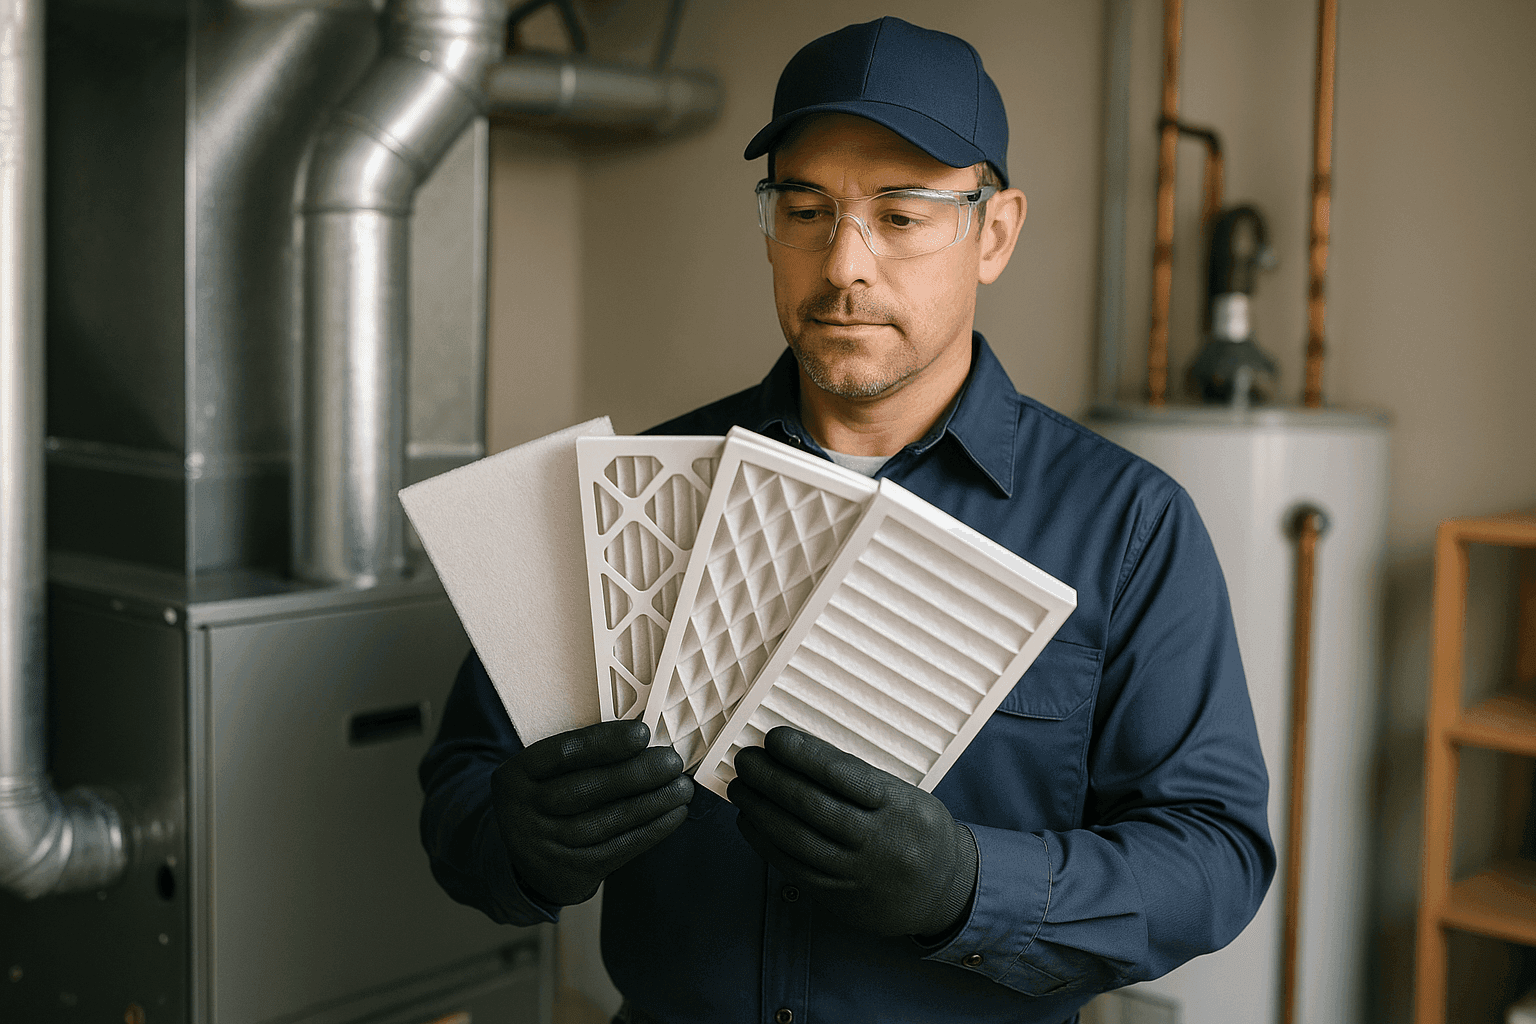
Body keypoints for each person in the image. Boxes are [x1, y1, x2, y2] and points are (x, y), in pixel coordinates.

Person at [419, 16, 1274, 1024]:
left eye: (903, 215)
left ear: (992, 233)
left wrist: (967, 884)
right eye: (806, 207)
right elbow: (461, 796)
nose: (843, 264)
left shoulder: (1130, 526)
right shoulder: (629, 493)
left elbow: (1213, 857)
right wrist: (515, 838)